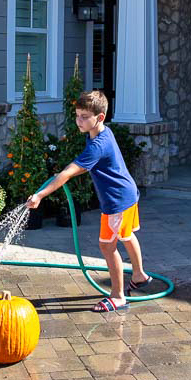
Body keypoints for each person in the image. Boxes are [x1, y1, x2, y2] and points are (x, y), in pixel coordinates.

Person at [26, 89, 159, 312]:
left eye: (84, 116)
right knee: (126, 235)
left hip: (117, 201)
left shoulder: (98, 146)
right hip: (127, 194)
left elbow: (68, 172)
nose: (79, 120)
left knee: (107, 246)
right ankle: (139, 275)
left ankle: (117, 297)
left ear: (100, 118)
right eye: (77, 115)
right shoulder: (103, 134)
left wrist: (40, 195)